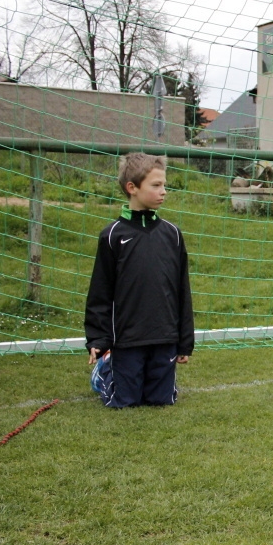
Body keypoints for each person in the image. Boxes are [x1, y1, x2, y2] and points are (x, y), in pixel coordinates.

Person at [84, 153, 194, 408]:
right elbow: (100, 291)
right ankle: (103, 372)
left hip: (164, 337)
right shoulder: (112, 235)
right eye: (156, 186)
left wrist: (184, 342)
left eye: (164, 185)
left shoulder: (173, 235)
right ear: (131, 188)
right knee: (124, 402)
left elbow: (182, 292)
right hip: (128, 338)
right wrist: (99, 340)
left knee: (162, 400)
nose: (163, 191)